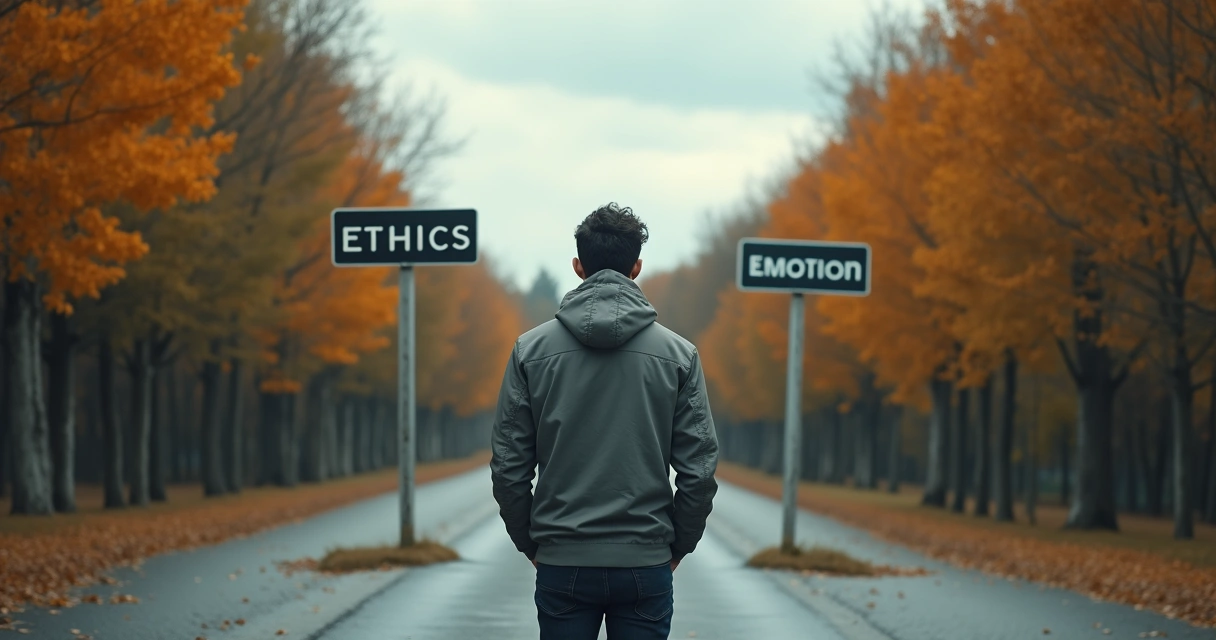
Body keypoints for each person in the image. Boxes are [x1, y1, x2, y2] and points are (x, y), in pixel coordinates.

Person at [490, 203, 720, 640]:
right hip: (645, 562)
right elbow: (699, 470)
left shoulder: (530, 351)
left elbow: (508, 465)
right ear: (637, 266)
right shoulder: (679, 355)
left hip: (562, 561)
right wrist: (677, 545)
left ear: (578, 267)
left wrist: (532, 541)